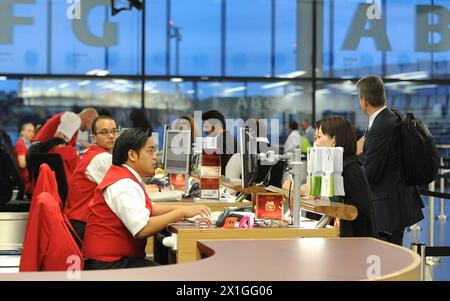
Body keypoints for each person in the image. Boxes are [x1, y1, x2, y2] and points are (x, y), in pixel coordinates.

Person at [82, 128, 210, 269]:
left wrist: (183, 209)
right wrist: (181, 213)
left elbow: (150, 208)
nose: (155, 156)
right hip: (107, 265)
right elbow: (143, 228)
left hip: (114, 260)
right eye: (150, 151)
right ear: (132, 155)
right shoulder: (123, 184)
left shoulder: (125, 176)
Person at [356, 75, 424, 245]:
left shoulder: (381, 125)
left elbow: (371, 172)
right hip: (395, 202)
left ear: (364, 101)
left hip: (386, 209)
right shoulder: (391, 116)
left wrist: (358, 153)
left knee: (385, 262)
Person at [64, 116, 119, 241]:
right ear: (93, 138)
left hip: (77, 221)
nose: (111, 136)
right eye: (104, 132)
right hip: (84, 226)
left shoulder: (93, 152)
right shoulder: (102, 158)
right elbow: (124, 190)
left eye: (114, 131)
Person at [32, 108, 98, 147]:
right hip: (39, 152)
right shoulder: (74, 119)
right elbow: (58, 142)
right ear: (88, 117)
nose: (91, 129)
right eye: (93, 125)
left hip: (38, 151)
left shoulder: (74, 123)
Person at [202, 110, 238, 175]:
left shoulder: (223, 143)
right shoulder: (225, 139)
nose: (205, 130)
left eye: (207, 127)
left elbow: (222, 170)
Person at [14, 123, 35, 195]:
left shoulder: (28, 144)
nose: (32, 133)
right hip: (26, 178)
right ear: (22, 132)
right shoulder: (21, 144)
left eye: (33, 131)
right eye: (29, 131)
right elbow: (22, 164)